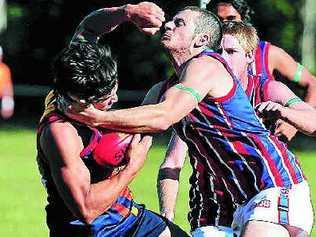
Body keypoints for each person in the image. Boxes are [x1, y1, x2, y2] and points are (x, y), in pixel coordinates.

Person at [63, 6, 314, 237]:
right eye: (171, 20)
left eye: (179, 23)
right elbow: (134, 134)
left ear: (202, 40)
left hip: (274, 186)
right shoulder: (165, 89)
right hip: (237, 205)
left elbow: (163, 117)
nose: (169, 25)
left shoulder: (208, 66)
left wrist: (96, 117)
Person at [37, 3, 189, 236]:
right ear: (82, 100)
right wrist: (132, 167)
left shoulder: (77, 67)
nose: (115, 99)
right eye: (106, 98)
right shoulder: (61, 133)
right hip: (96, 231)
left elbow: (89, 28)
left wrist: (128, 12)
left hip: (129, 218)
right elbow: (86, 210)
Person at [157, 20, 316, 235]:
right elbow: (172, 162)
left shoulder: (267, 88)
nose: (222, 57)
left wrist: (286, 114)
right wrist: (167, 213)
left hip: (266, 191)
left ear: (250, 57)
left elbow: (313, 121)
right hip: (213, 205)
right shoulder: (192, 94)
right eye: (218, 51)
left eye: (231, 51)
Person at [207, 0, 316, 142]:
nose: (225, 24)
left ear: (244, 19)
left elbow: (312, 83)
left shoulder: (269, 54)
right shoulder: (204, 57)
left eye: (231, 19)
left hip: (267, 148)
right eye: (219, 20)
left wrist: (294, 121)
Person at [0, 46, 14, 119]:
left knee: (8, 102)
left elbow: (8, 87)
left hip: (3, 96)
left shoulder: (5, 69)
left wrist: (9, 98)